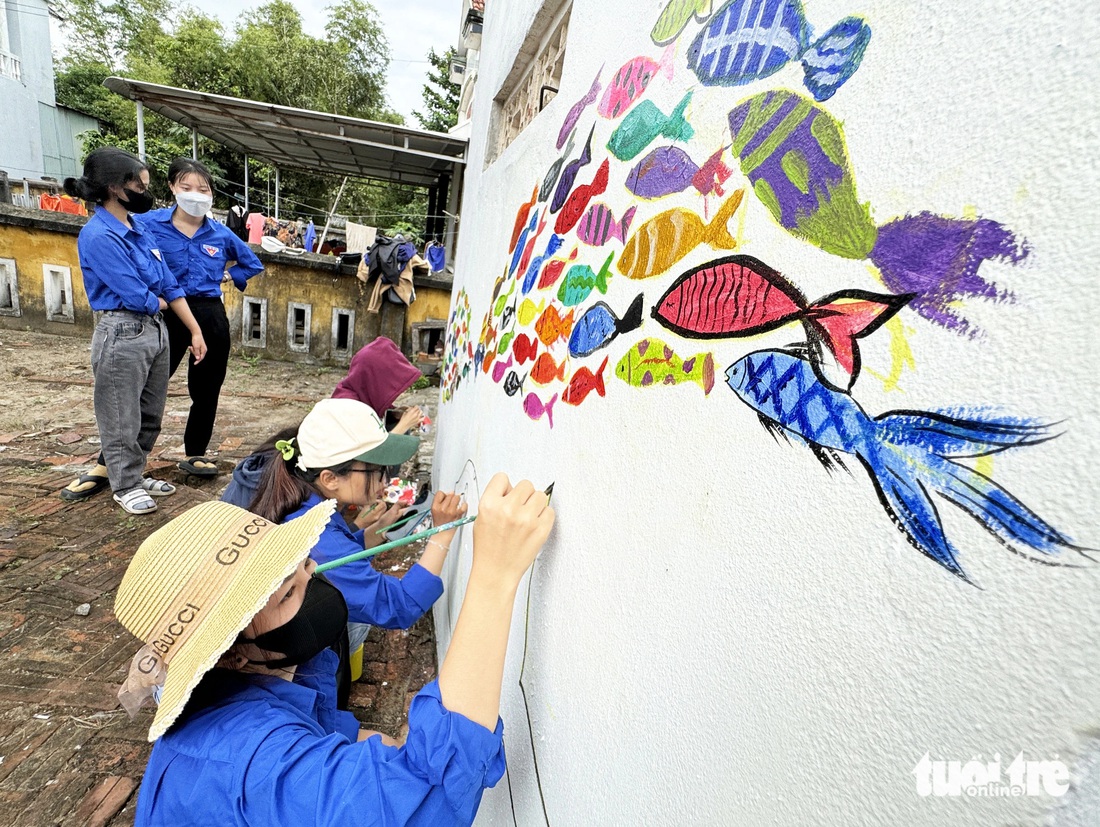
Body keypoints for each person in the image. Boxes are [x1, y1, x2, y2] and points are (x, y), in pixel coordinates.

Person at [114, 474, 554, 825]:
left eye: (306, 565)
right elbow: (424, 801)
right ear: (232, 654)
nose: (314, 585)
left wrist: (376, 744)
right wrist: (496, 574)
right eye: (287, 594)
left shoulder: (270, 674)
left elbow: (325, 728)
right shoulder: (252, 760)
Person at [58, 148, 207, 515]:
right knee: (120, 414)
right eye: (138, 185)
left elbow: (168, 284)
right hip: (121, 330)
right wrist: (157, 299)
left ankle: (135, 474)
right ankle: (123, 485)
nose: (145, 191)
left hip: (156, 332)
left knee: (149, 412)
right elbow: (138, 294)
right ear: (113, 187)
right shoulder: (98, 236)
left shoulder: (137, 228)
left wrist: (193, 329)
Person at [249, 398, 459, 658]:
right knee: (358, 622)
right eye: (377, 470)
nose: (387, 478)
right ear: (330, 478)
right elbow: (399, 606)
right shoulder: (318, 538)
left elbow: (338, 560)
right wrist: (443, 533)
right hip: (302, 657)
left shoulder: (305, 500)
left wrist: (376, 531)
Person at [139, 157, 264, 478]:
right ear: (171, 188)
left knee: (207, 388)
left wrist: (228, 276)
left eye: (203, 189)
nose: (195, 194)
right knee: (148, 385)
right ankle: (123, 455)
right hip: (166, 313)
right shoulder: (149, 225)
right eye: (186, 187)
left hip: (209, 314)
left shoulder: (221, 235)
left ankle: (196, 453)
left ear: (211, 195)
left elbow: (252, 264)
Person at [221, 336, 425, 509]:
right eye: (393, 390)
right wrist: (402, 426)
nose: (394, 399)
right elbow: (375, 456)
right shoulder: (346, 409)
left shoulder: (357, 400)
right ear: (377, 383)